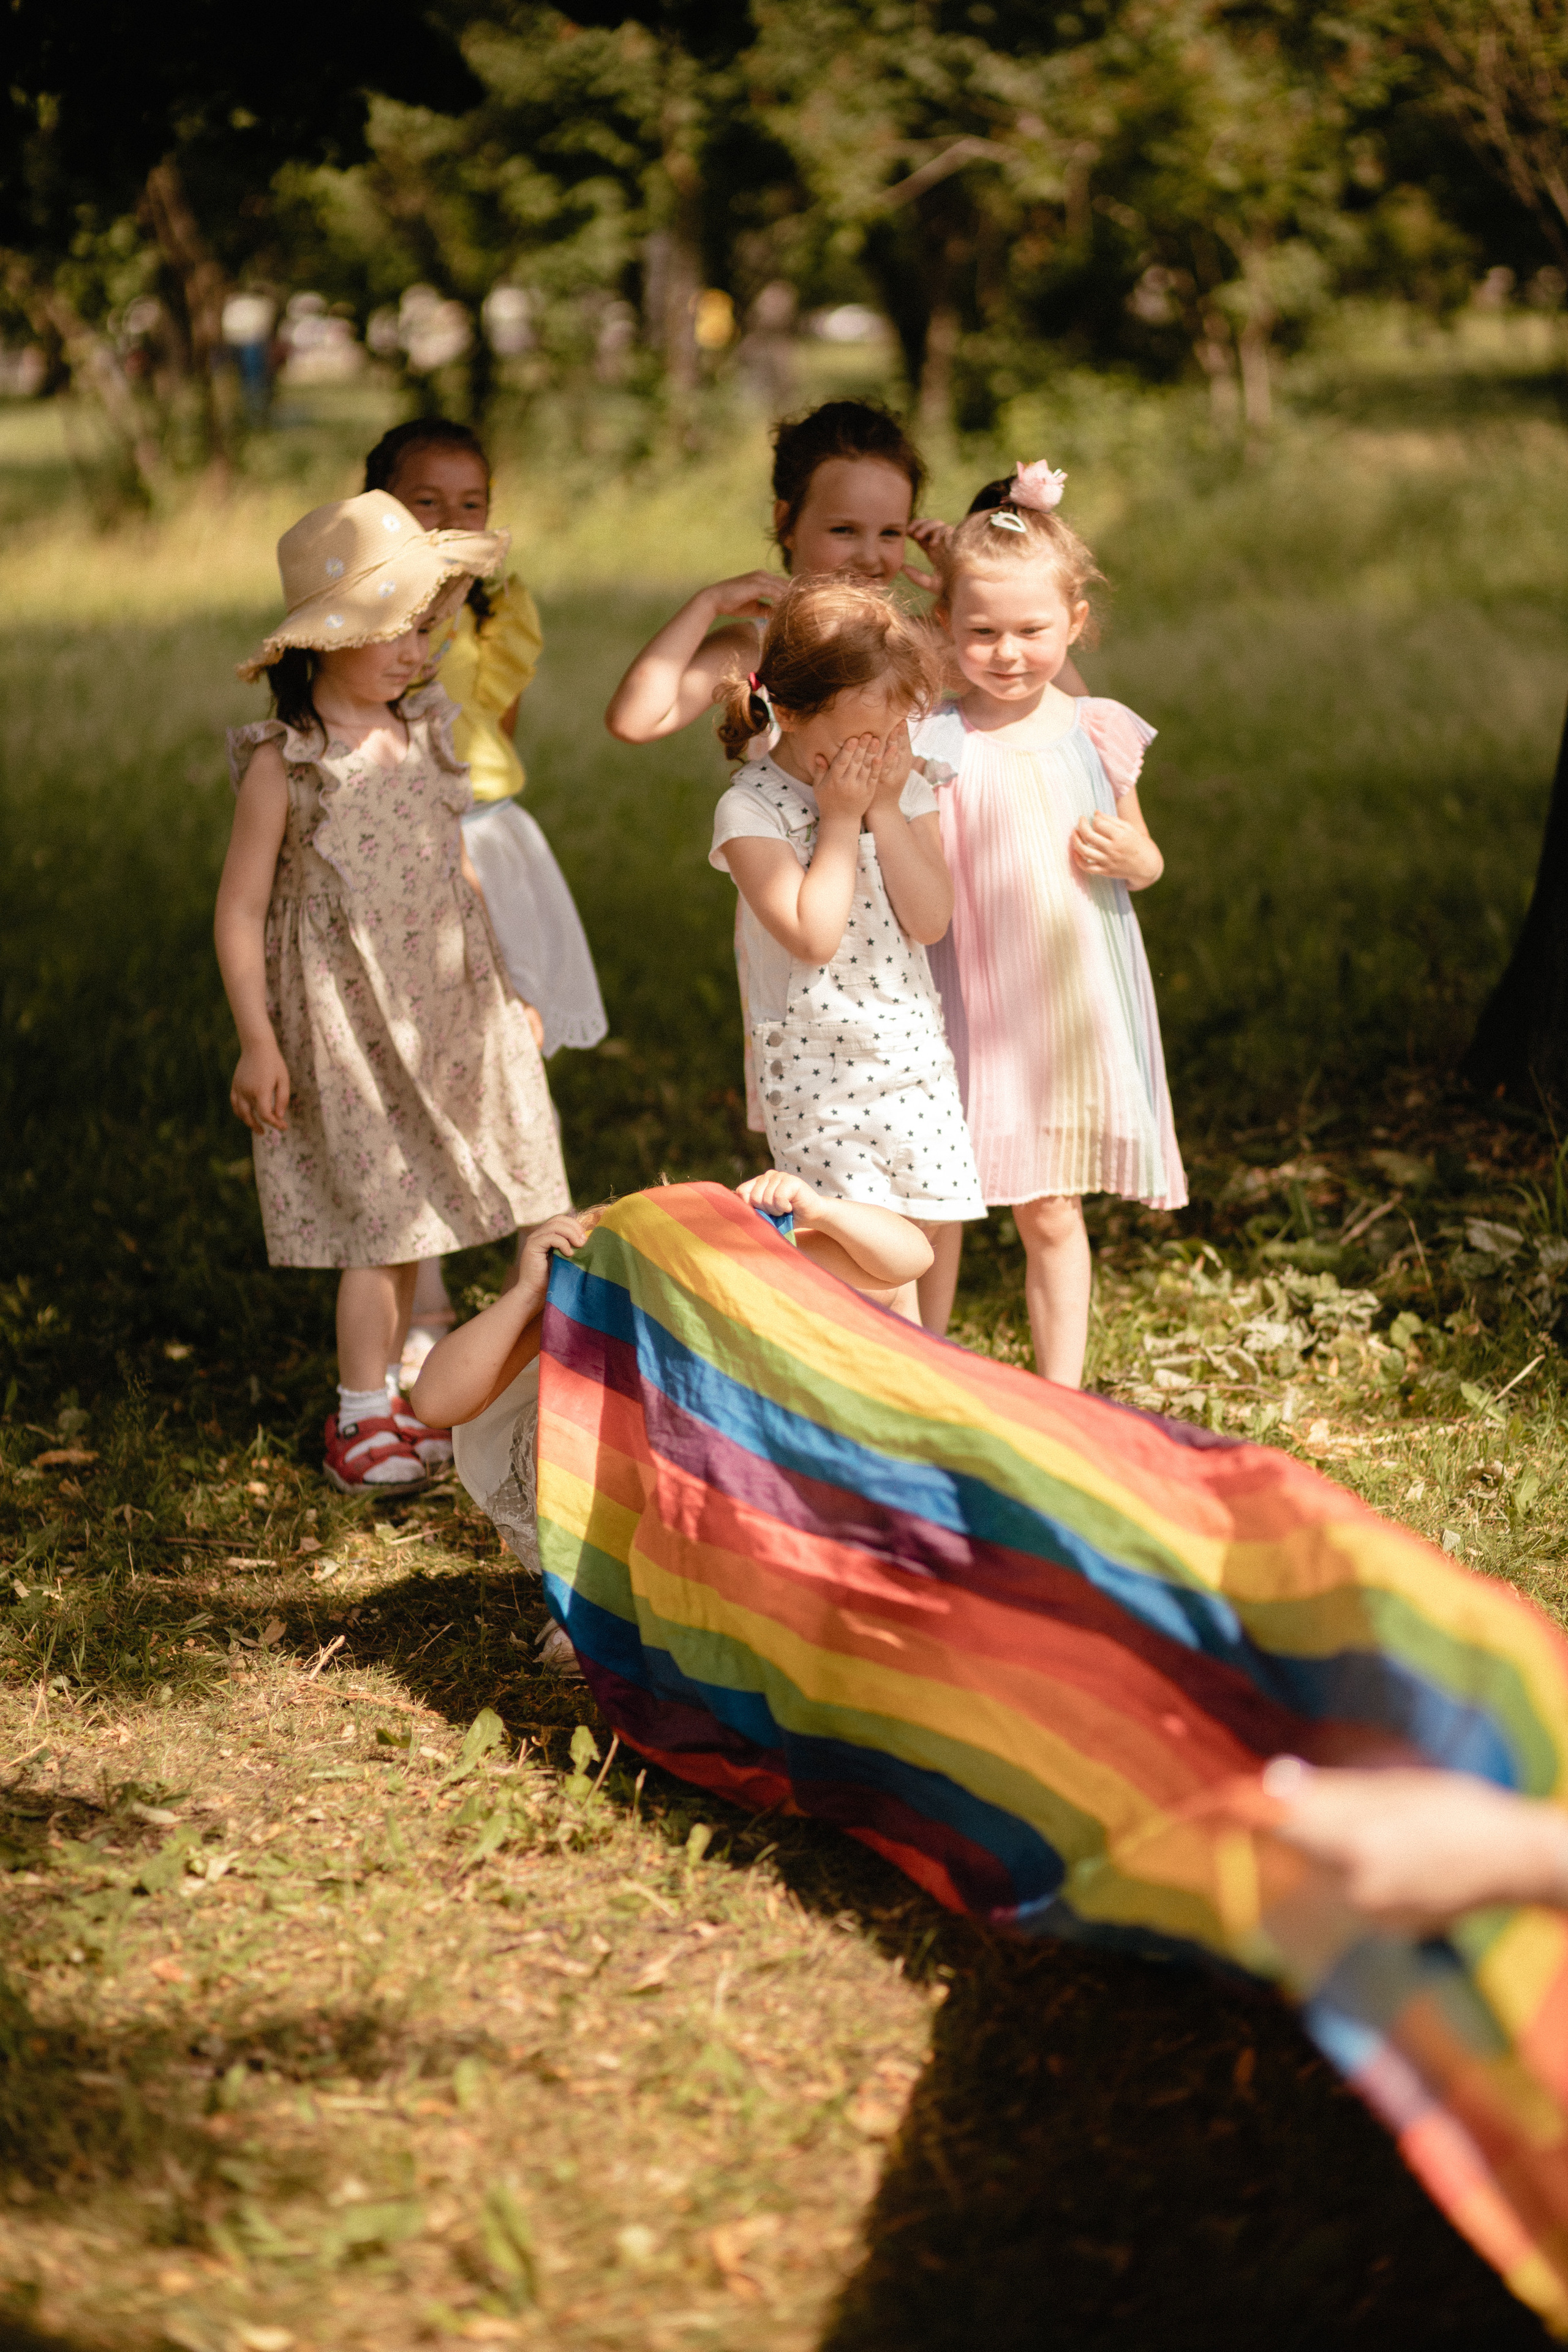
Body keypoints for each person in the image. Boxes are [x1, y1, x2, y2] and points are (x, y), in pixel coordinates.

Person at [527, 1180, 1568, 2339]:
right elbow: (446, 1394)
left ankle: (1428, 1718)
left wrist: (799, 1203)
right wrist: (541, 1279)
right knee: (1141, 1625)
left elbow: (893, 1254)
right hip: (919, 1497)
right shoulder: (631, 1322)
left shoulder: (769, 1239)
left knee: (1206, 1555)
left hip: (960, 1439)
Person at [215, 491, 573, 1494]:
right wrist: (258, 1037)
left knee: (432, 1203)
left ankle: (424, 1393)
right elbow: (240, 911)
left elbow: (455, 875)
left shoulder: (425, 733)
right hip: (344, 1025)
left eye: (429, 628)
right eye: (400, 631)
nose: (421, 650)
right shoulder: (290, 766)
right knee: (377, 1221)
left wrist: (505, 987)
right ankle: (360, 1415)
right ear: (328, 641)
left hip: (441, 1013)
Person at [604, 399, 942, 1177]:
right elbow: (635, 717)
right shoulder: (758, 644)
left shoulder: (913, 644)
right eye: (844, 529)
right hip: (807, 934)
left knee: (929, 1136)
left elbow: (1031, 666)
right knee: (831, 1148)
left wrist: (961, 578)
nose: (869, 554)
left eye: (891, 532)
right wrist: (707, 605)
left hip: (913, 907)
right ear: (786, 522)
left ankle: (925, 1304)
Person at [410, 1171, 933, 1668]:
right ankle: (595, 1604)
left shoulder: (739, 1270)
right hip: (596, 1493)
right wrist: (528, 1295)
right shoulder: (587, 1298)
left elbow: (909, 1259)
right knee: (597, 1434)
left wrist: (823, 1210)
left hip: (726, 1495)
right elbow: (435, 1403)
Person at [913, 459, 1186, 1378]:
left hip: (1062, 1010)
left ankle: (1060, 1392)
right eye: (980, 631)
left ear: (1074, 623)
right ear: (944, 630)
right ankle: (923, 1367)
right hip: (959, 999)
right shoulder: (936, 738)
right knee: (937, 1201)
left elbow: (1143, 858)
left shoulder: (1096, 729)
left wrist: (1136, 859)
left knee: (1052, 1206)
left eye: (1032, 630)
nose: (1007, 652)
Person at [364, 419, 606, 1379]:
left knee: (513, 1054)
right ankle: (420, 1292)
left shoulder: (500, 608)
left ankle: (531, 1287)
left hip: (490, 834)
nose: (455, 520)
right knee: (409, 1062)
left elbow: (496, 726)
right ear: (382, 506)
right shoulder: (362, 614)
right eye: (429, 502)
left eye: (474, 504)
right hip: (405, 848)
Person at [708, 575, 984, 1311]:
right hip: (819, 1068)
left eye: (897, 731)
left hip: (908, 1050)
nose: (885, 749)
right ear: (791, 713)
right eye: (865, 735)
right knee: (855, 1263)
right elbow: (812, 934)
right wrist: (838, 821)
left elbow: (930, 920)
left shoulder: (900, 787)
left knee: (915, 1237)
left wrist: (884, 811)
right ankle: (865, 1392)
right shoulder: (751, 810)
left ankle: (920, 1381)